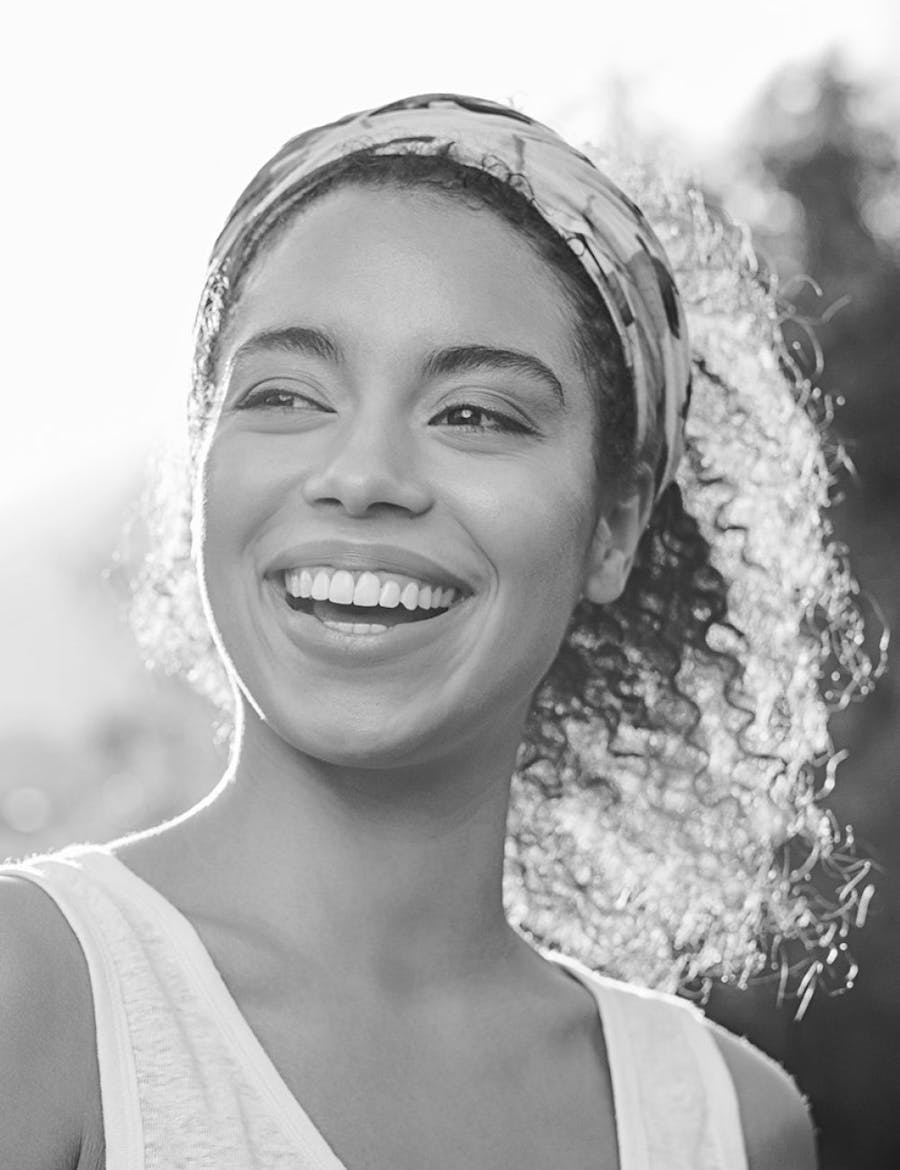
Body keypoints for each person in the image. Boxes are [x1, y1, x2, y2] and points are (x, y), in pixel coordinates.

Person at [0, 93, 881, 1169]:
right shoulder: (34, 992)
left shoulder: (729, 1123)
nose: (363, 475)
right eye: (284, 394)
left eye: (475, 413)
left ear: (614, 526)